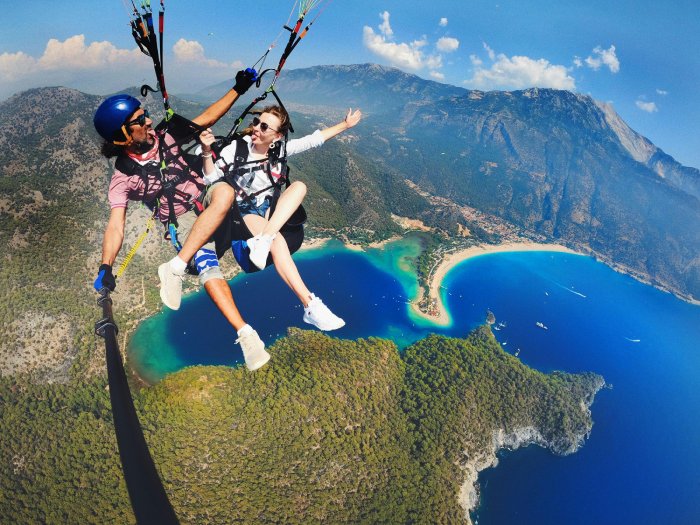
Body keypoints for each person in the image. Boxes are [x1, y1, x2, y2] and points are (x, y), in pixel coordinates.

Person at [92, 69, 271, 371]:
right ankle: (246, 333)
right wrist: (106, 265)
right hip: (183, 219)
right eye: (139, 120)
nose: (148, 121)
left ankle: (175, 268)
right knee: (209, 267)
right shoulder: (123, 178)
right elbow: (116, 225)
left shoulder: (167, 135)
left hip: (207, 196)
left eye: (145, 114)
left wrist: (238, 89)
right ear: (123, 136)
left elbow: (208, 117)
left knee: (227, 194)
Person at [198, 105, 362, 331]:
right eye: (256, 122)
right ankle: (310, 304)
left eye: (264, 126)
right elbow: (210, 179)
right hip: (243, 213)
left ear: (277, 136)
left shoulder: (280, 150)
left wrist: (345, 125)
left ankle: (264, 239)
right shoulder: (236, 150)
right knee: (276, 241)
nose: (256, 128)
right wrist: (206, 151)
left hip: (268, 211)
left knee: (299, 186)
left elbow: (313, 140)